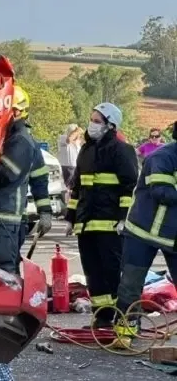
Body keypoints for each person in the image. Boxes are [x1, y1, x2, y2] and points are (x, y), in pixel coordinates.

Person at [64, 102, 138, 328]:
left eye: (97, 121)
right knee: (93, 274)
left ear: (110, 125)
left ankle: (124, 318)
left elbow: (130, 187)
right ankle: (103, 317)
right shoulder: (86, 151)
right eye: (92, 120)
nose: (92, 125)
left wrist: (124, 217)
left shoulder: (121, 150)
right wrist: (71, 217)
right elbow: (78, 188)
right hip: (86, 225)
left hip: (110, 225)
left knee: (112, 272)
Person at [113, 121, 177, 348]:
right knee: (131, 284)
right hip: (142, 233)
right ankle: (125, 331)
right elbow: (162, 192)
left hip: (173, 237)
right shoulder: (163, 157)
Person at [0, 86, 51, 275]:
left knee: (2, 273)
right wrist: (45, 211)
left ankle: (5, 306)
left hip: (1, 218)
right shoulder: (18, 138)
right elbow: (39, 178)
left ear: (16, 111)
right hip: (1, 219)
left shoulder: (20, 141)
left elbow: (6, 174)